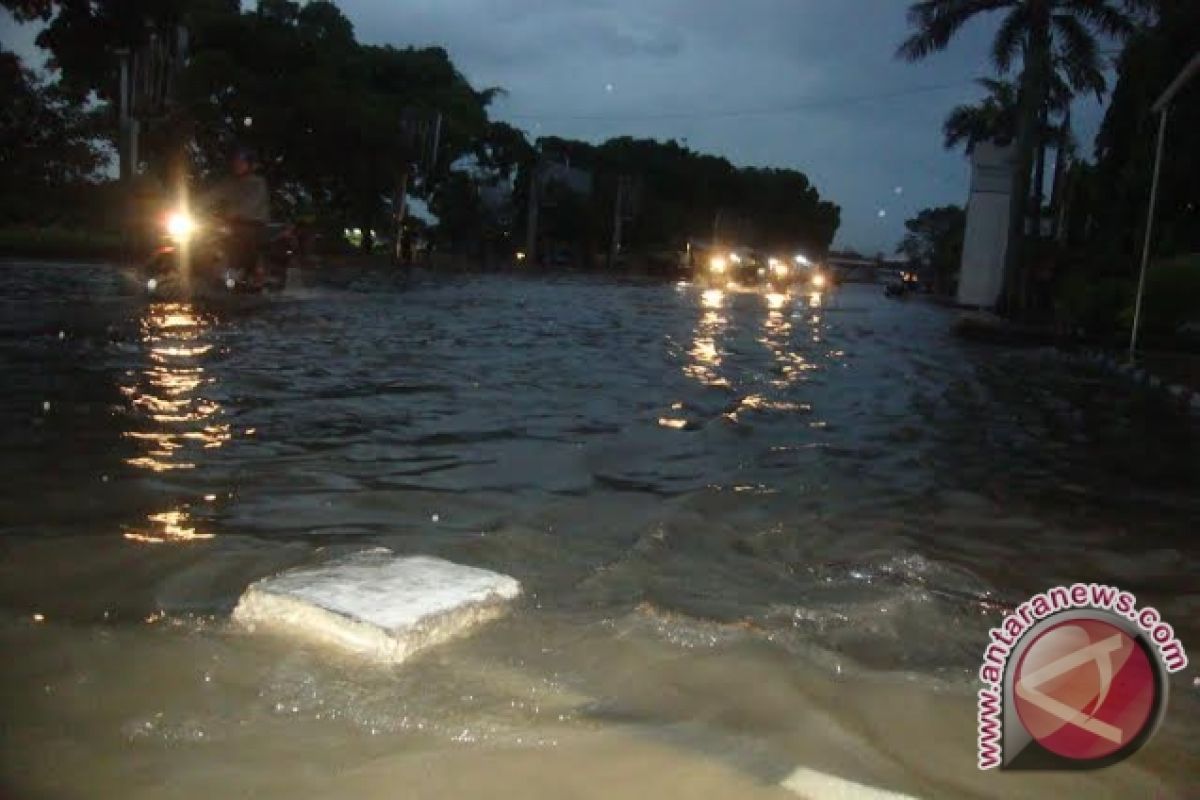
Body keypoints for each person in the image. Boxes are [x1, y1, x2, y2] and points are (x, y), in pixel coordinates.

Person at [200, 146, 270, 284]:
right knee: (205, 236)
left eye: (242, 162)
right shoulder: (229, 183)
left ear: (249, 165)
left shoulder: (257, 183)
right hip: (231, 223)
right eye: (236, 162)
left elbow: (252, 203)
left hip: (252, 223)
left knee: (244, 237)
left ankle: (248, 274)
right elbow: (211, 196)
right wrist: (189, 205)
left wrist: (234, 213)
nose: (238, 165)